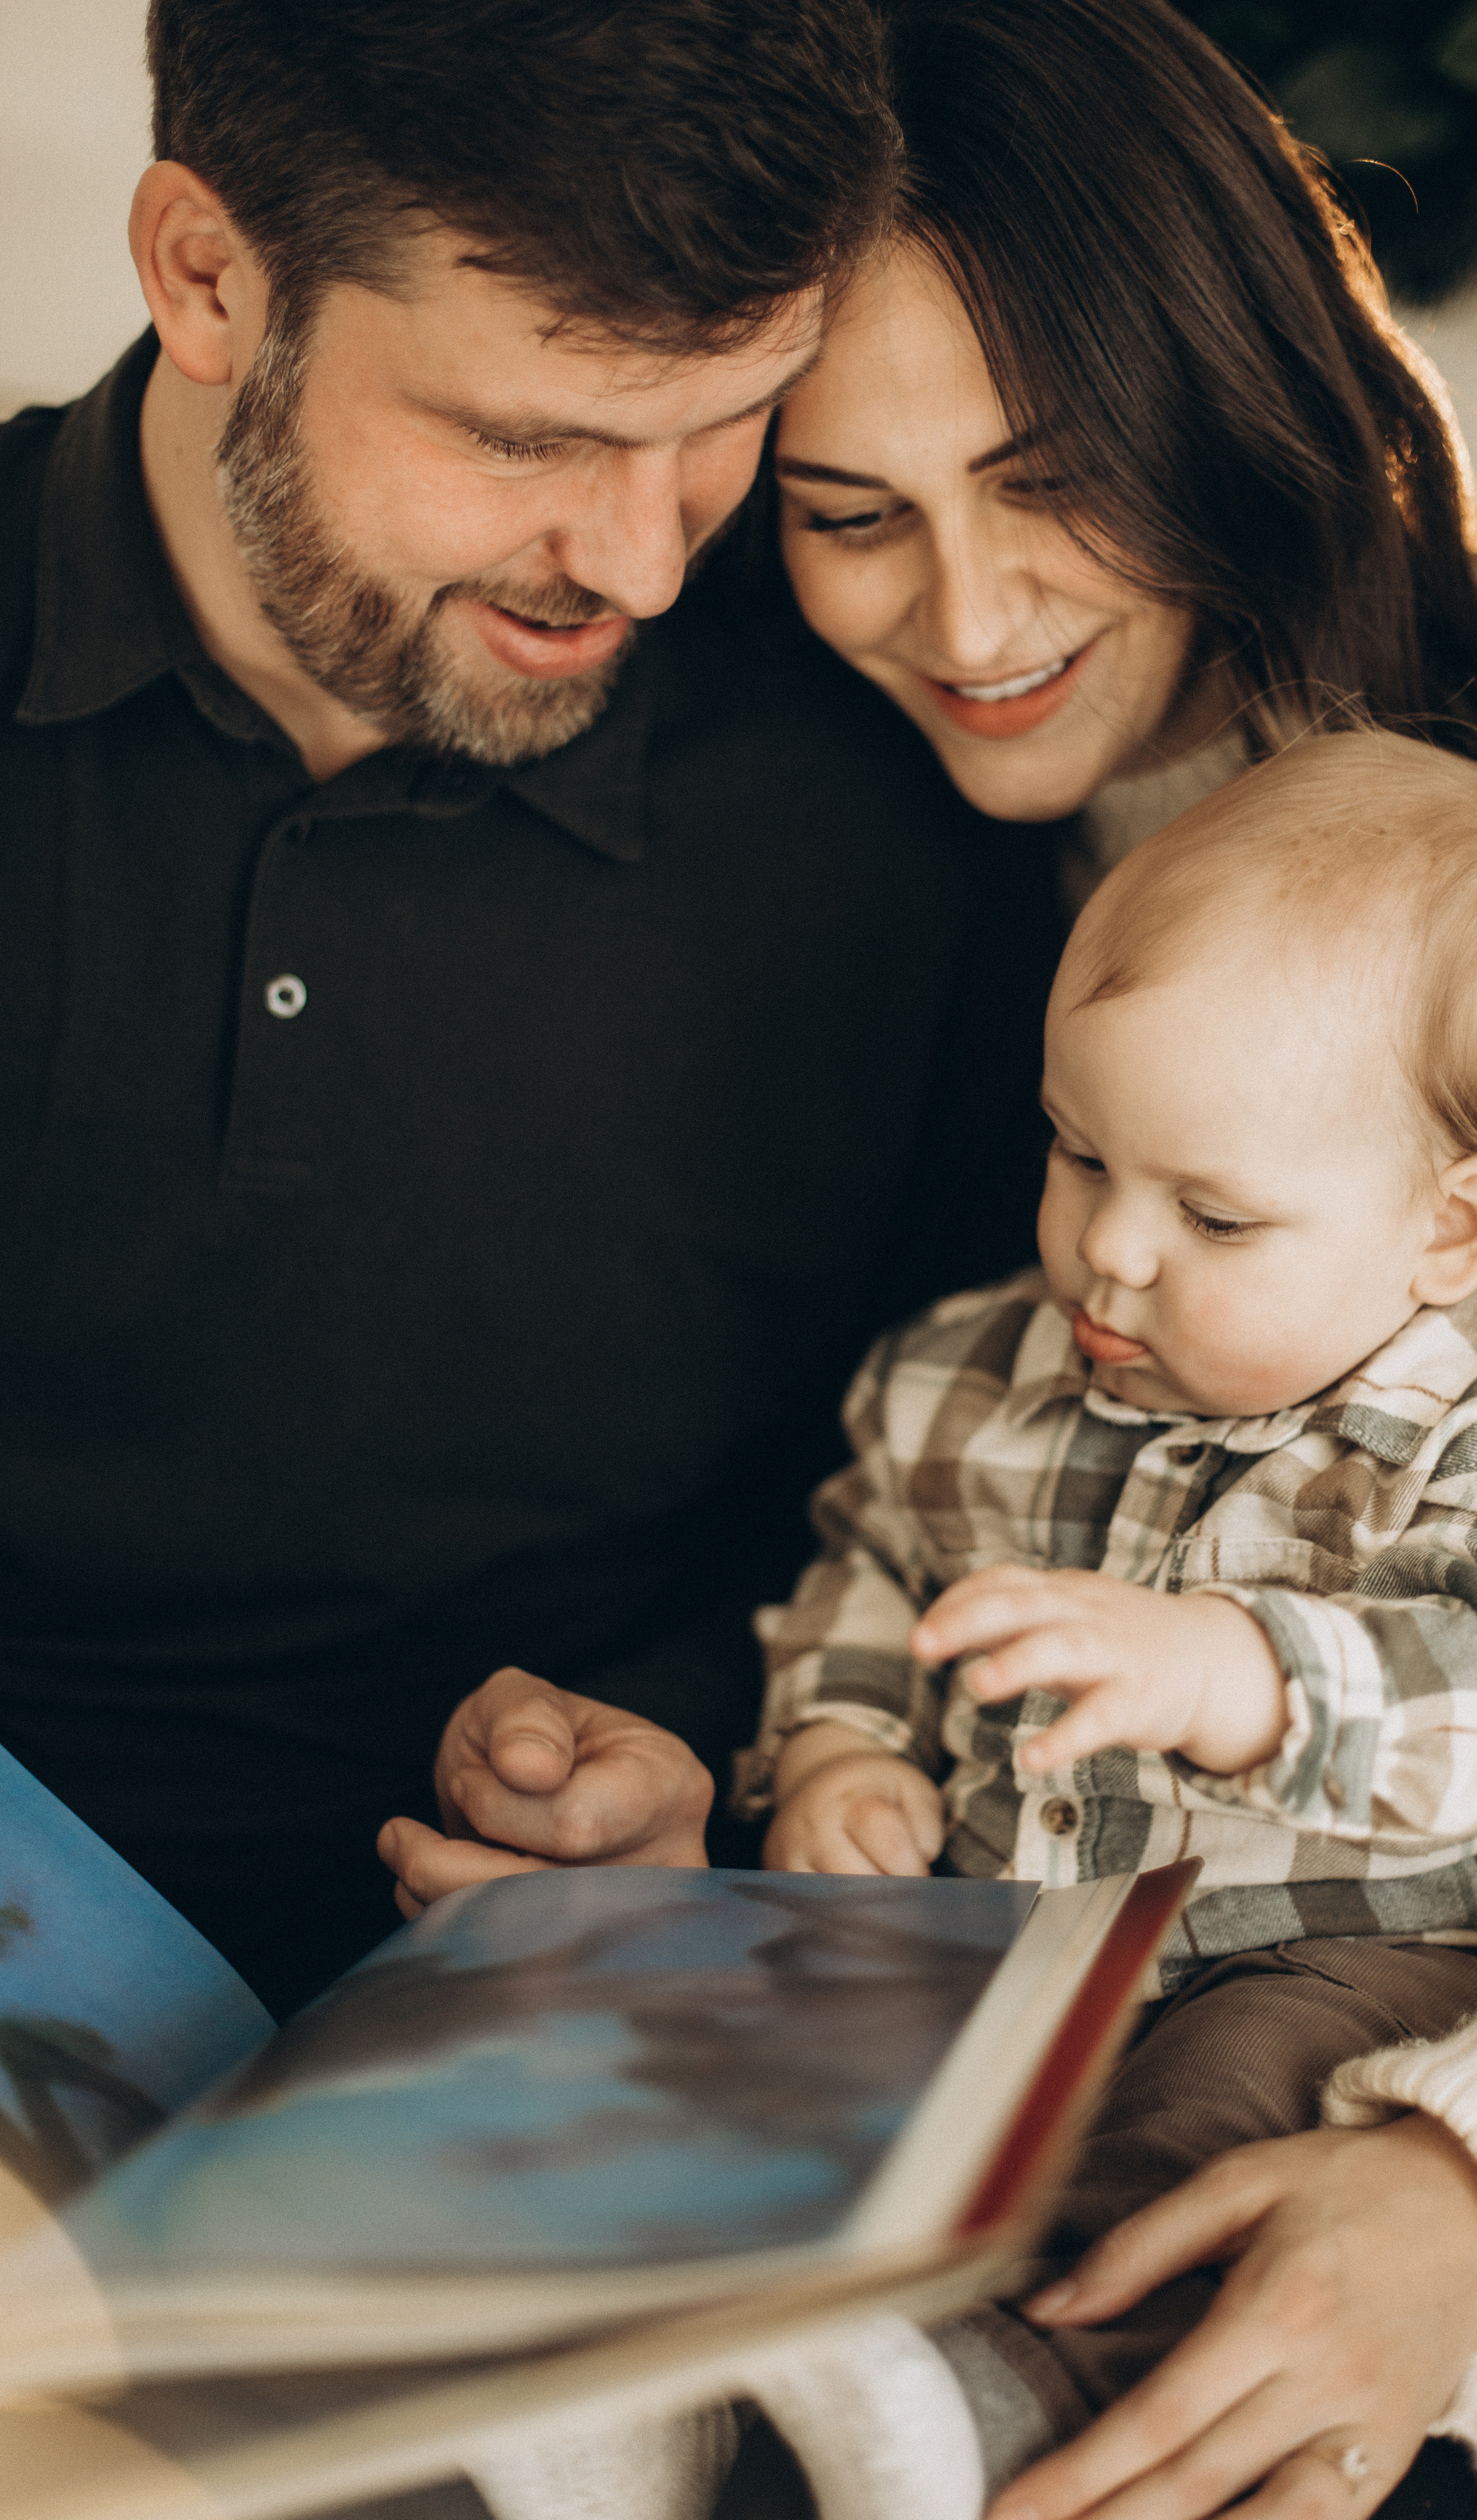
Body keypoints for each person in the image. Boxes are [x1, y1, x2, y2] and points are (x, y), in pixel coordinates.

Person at [436, 4, 1477, 2515]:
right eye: (846, 507)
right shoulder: (844, 886)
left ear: (1232, 398)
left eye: (1056, 478)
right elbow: (914, 1527)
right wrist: (767, 1797)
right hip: (994, 2022)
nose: (966, 612)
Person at [0, 0, 1064, 2021]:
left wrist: (698, 1756)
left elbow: (952, 1479)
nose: (645, 566)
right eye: (533, 438)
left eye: (726, 420)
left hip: (568, 2030)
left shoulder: (897, 795)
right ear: (207, 277)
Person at [747, 719, 1477, 2458]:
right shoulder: (973, 1374)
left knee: (1216, 2147)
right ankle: (689, 2390)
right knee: (788, 2081)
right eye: (1081, 1154)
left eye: (1216, 1216)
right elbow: (868, 1567)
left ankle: (1008, 2410)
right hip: (1014, 1947)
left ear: (1455, 1226)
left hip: (1341, 1957)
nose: (1110, 1246)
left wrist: (1233, 1671)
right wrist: (836, 1749)